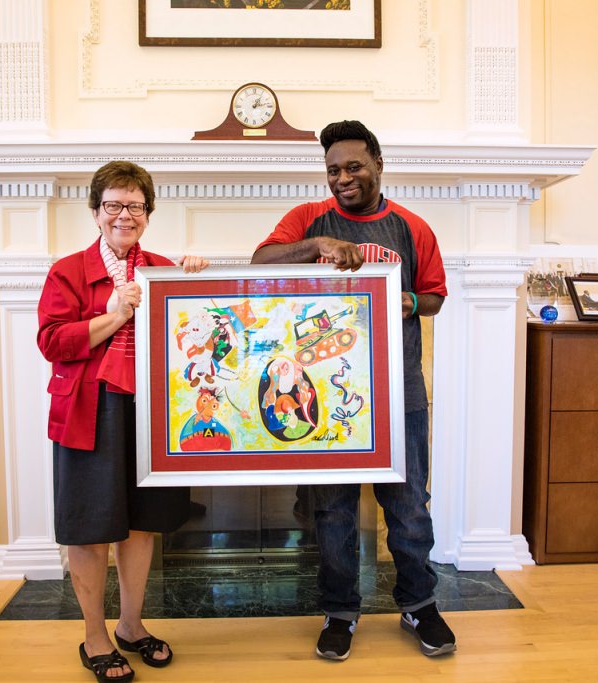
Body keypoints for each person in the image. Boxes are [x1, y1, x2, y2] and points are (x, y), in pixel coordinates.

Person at [251, 120, 455, 661]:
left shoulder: (412, 228)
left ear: (378, 164)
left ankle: (420, 604)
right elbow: (259, 262)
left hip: (399, 392)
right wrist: (316, 244)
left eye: (354, 167)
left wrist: (400, 302)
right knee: (333, 510)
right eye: (334, 170)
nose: (343, 178)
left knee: (409, 506)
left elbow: (434, 297)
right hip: (325, 399)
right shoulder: (307, 219)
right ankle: (340, 610)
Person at [38, 160, 209, 683]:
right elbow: (51, 342)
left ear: (148, 214)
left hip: (153, 414)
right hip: (91, 412)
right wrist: (114, 314)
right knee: (89, 531)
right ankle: (95, 636)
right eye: (113, 205)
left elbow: (195, 337)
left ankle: (131, 626)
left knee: (140, 526)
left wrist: (199, 285)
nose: (124, 215)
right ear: (95, 212)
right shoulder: (67, 271)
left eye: (135, 206)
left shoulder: (161, 268)